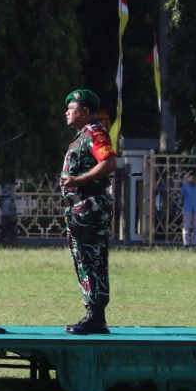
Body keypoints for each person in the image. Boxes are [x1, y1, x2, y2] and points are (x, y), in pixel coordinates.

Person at [58, 88, 116, 334]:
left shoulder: (94, 132)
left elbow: (109, 162)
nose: (67, 112)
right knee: (86, 260)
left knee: (91, 260)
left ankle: (95, 317)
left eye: (72, 108)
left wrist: (78, 180)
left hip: (90, 204)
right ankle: (94, 315)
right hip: (82, 207)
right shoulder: (81, 135)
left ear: (85, 111)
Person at [179, 171, 196, 250]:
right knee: (186, 227)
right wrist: (183, 205)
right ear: (188, 178)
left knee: (195, 227)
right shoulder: (185, 187)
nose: (192, 179)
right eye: (190, 178)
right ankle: (186, 244)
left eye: (194, 178)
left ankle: (194, 244)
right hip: (187, 208)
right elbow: (182, 197)